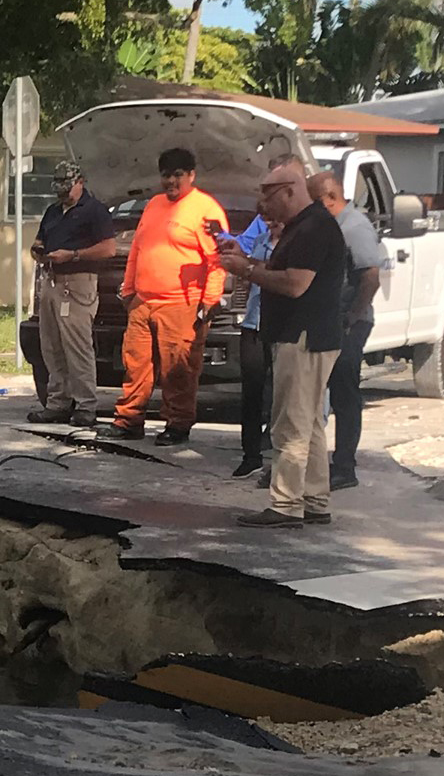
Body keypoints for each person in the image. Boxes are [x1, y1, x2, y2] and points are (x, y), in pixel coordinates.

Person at [224, 156, 346, 529]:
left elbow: (295, 284)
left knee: (290, 423)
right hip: (309, 335)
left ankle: (285, 504)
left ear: (290, 191)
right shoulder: (303, 226)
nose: (263, 205)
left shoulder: (311, 230)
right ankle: (314, 499)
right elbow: (282, 272)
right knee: (309, 422)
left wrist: (245, 270)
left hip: (303, 336)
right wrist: (248, 261)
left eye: (269, 195)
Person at [110, 147, 226, 443]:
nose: (171, 182)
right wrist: (128, 289)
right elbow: (138, 248)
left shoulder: (206, 208)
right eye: (166, 175)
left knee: (179, 370)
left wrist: (210, 301)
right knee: (135, 365)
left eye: (177, 175)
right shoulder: (153, 205)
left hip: (182, 304)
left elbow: (217, 261)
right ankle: (129, 420)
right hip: (142, 302)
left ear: (191, 175)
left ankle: (177, 424)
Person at [312, 168, 388, 491]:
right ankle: (319, 463)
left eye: (314, 200)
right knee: (321, 392)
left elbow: (370, 276)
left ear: (331, 198)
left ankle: (345, 465)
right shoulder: (328, 225)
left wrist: (352, 318)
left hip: (349, 321)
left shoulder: (353, 227)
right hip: (329, 319)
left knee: (344, 392)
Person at [30, 160, 113, 423]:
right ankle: (58, 402)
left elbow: (109, 248)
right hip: (52, 279)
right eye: (59, 188)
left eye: (67, 187)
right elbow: (39, 240)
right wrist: (38, 251)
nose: (63, 194)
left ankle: (86, 405)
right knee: (51, 346)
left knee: (77, 346)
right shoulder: (53, 211)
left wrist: (74, 255)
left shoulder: (94, 210)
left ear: (80, 182)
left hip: (78, 282)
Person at [227, 186, 280, 478]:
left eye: (273, 219)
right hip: (253, 323)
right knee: (251, 391)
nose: (269, 224)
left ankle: (280, 458)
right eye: (264, 218)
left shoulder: (293, 245)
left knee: (283, 393)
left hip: (280, 325)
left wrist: (250, 267)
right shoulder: (260, 240)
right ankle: (250, 454)